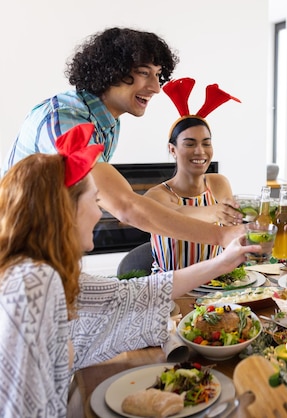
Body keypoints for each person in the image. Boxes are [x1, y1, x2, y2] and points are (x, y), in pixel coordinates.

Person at [0, 123, 259, 417]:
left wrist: (225, 261)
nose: (100, 213)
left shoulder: (45, 273)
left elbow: (133, 292)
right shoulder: (33, 283)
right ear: (65, 210)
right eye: (95, 201)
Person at [2, 27, 243, 249]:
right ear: (110, 71)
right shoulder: (65, 118)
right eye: (143, 73)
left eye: (158, 75)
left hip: (53, 243)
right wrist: (221, 236)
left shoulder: (108, 123)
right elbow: (124, 206)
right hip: (17, 248)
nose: (156, 87)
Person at [144, 78, 243, 272]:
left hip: (217, 287)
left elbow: (230, 231)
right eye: (189, 144)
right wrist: (214, 212)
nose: (200, 151)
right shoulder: (157, 195)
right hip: (171, 290)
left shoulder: (218, 183)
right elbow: (175, 215)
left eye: (206, 143)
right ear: (172, 150)